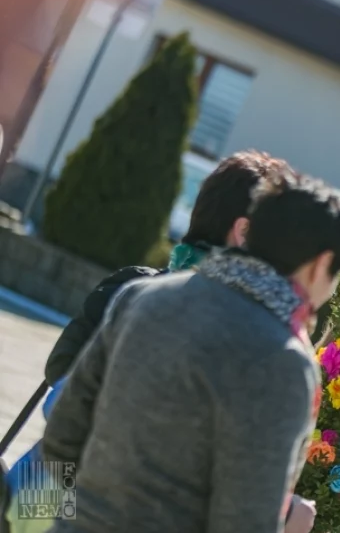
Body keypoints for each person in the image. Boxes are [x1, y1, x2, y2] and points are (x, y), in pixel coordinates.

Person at [41, 172, 340, 533]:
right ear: (322, 264)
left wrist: (81, 513)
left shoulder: (144, 297)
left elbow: (60, 438)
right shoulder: (283, 360)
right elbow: (244, 521)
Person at [3, 151, 298, 533]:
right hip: (66, 483)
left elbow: (61, 367)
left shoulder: (135, 288)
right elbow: (61, 383)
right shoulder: (149, 295)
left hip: (56, 477)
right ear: (242, 232)